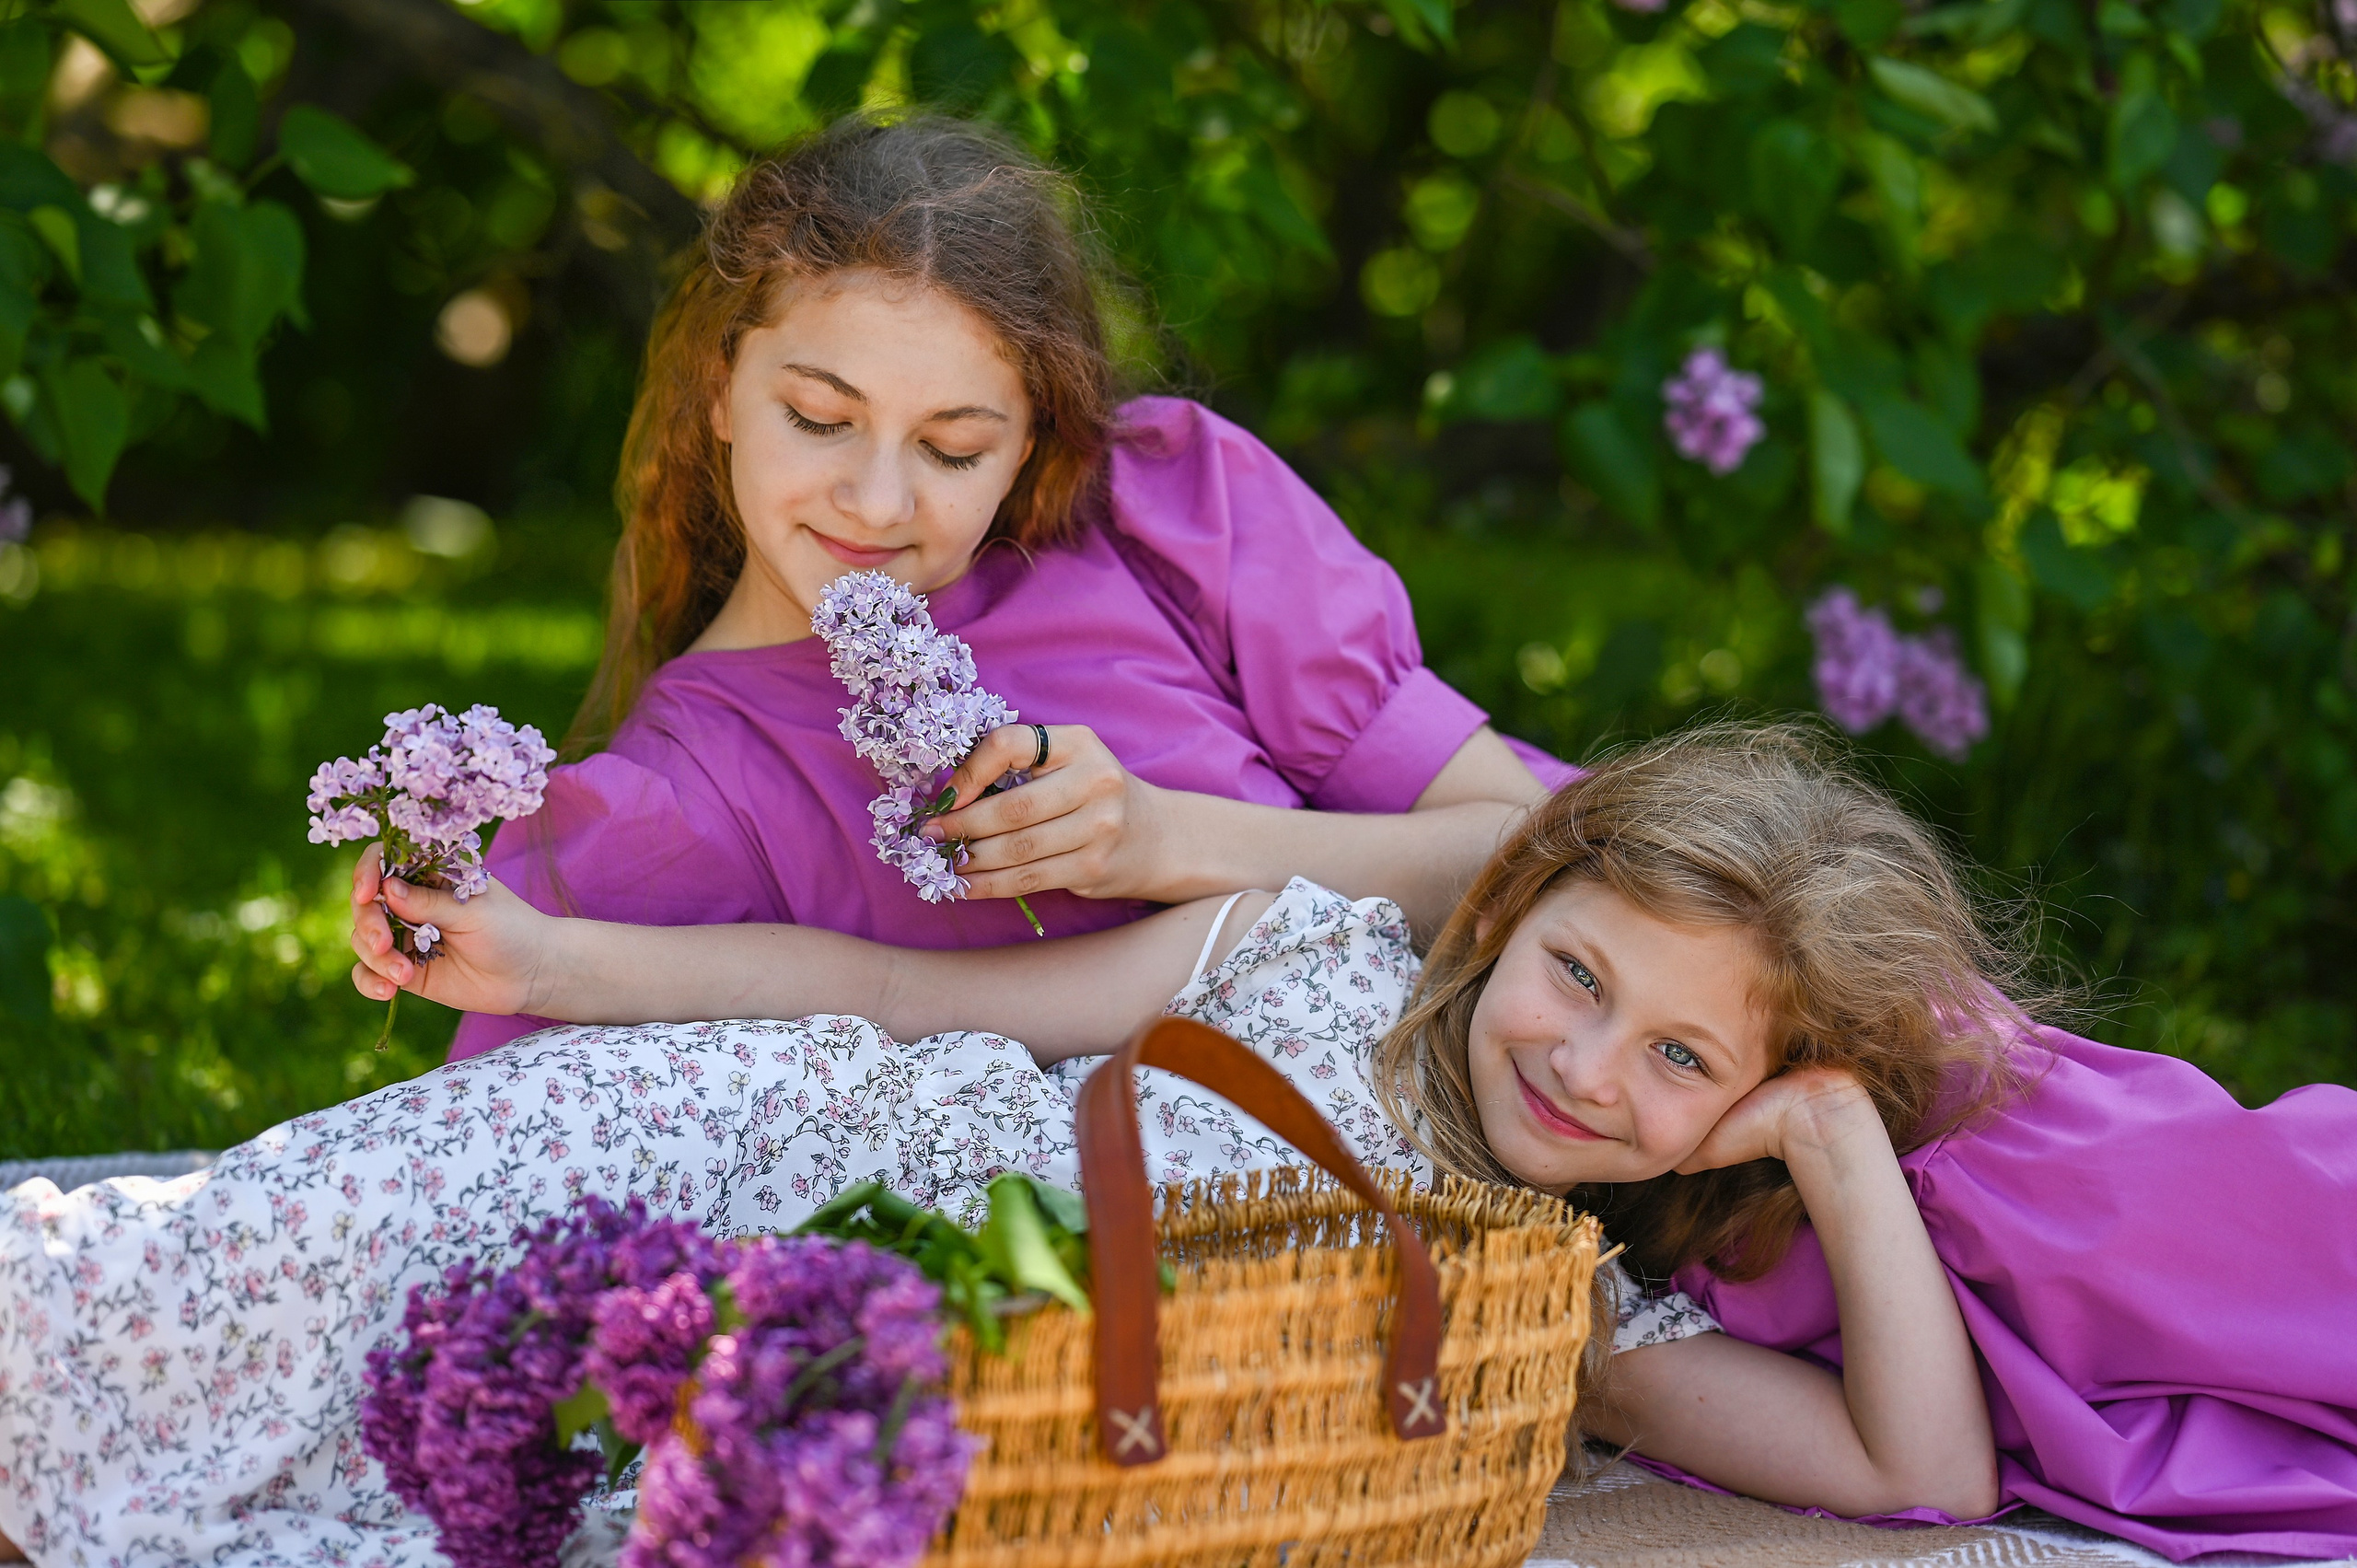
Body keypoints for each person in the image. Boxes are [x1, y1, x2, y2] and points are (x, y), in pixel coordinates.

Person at [10, 725, 2353, 1566]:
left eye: (1682, 1064)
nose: (1591, 1071)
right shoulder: (1298, 952)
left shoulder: (1582, 1301)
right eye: (1578, 978)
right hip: (790, 1121)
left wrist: (1835, 1142)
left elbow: (1920, 1488)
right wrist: (545, 972)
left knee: (443, 1467)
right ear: (1508, 901)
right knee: (265, 1261)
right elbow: (907, 1002)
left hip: (928, 1337)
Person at [413, 114, 1556, 1063]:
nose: (874, 501)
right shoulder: (681, 802)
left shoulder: (1158, 506)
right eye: (818, 419)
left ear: (1031, 444)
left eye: (953, 446)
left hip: (1602, 980)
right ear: (720, 391)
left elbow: (1532, 856)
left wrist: (1160, 841)